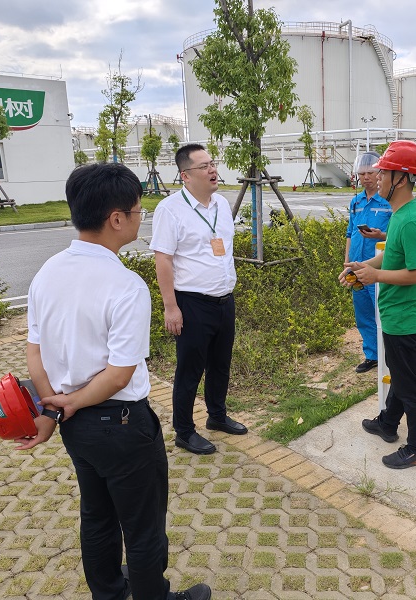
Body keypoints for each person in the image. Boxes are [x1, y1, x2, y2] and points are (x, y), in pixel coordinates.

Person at [17, 163, 210, 600]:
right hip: (122, 423)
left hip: (76, 426)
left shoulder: (47, 272)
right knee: (142, 527)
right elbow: (120, 373)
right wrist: (68, 404)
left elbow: (35, 352)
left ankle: (108, 592)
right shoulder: (126, 285)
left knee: (97, 515)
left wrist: (53, 408)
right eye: (139, 210)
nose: (142, 218)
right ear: (116, 219)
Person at [340, 141, 416, 469]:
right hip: (397, 316)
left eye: (384, 172)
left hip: (407, 319)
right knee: (402, 374)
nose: (377, 177)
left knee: (411, 386)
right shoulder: (400, 215)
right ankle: (387, 422)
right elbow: (391, 255)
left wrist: (376, 275)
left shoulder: (410, 220)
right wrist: (362, 267)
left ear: (402, 178)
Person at [150, 143, 247, 456]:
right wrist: (171, 307)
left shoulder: (221, 204)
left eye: (212, 163)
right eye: (204, 166)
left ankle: (217, 416)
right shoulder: (170, 209)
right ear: (186, 175)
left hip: (224, 300)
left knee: (220, 364)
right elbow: (163, 259)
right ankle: (184, 431)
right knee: (189, 371)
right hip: (192, 303)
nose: (212, 170)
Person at [345, 151, 391, 373]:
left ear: (379, 173)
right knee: (362, 312)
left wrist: (380, 235)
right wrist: (347, 262)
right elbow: (349, 233)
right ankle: (372, 355)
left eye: (370, 173)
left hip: (378, 269)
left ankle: (389, 356)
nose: (366, 177)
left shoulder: (388, 202)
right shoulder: (356, 202)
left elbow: (396, 236)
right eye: (361, 174)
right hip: (356, 267)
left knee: (381, 312)